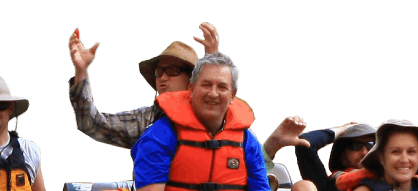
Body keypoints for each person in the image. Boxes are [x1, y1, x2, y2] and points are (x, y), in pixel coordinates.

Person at [129, 53, 311, 191]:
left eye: (222, 87)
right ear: (192, 88)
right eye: (206, 85)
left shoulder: (246, 141)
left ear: (232, 94)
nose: (213, 93)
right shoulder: (159, 136)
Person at [65, 24, 305, 157]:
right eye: (159, 72)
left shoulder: (221, 116)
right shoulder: (147, 119)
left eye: (172, 70)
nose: (162, 78)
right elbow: (90, 124)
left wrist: (212, 62)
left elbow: (248, 169)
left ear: (192, 81)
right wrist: (81, 72)